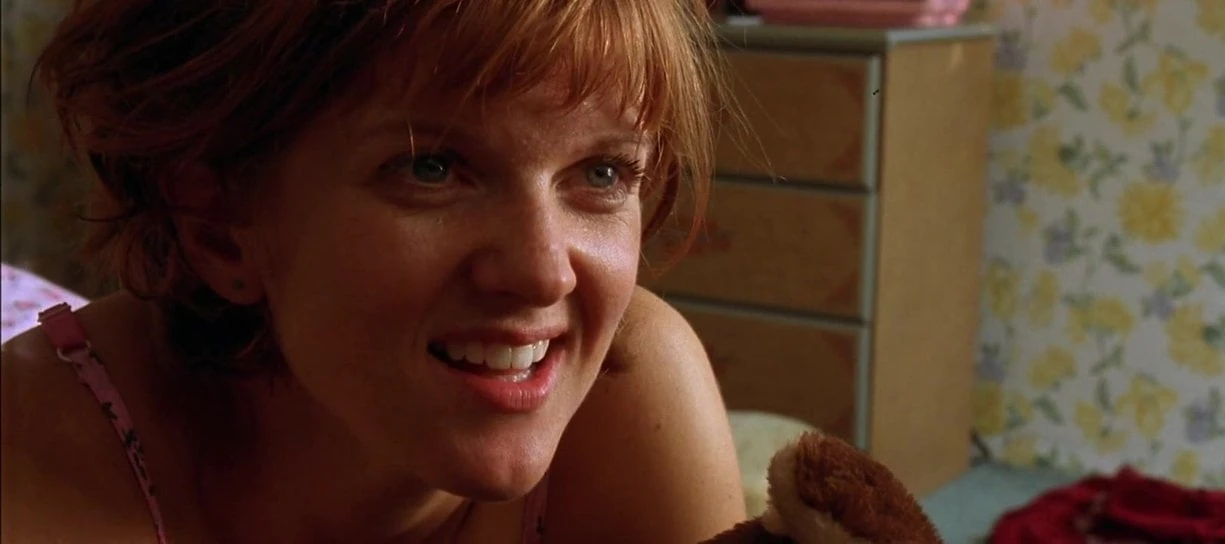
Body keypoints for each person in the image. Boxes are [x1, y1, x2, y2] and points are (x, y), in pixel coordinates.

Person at [0, 1, 746, 542]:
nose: (544, 275)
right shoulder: (35, 448)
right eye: (431, 168)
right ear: (219, 229)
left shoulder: (632, 394)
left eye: (604, 172)